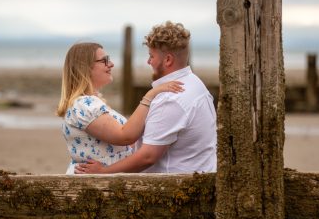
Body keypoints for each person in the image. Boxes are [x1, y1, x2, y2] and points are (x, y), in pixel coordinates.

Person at [75, 21, 217, 174]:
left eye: (151, 56)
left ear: (168, 60)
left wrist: (104, 171)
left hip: (175, 188)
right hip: (200, 175)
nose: (148, 62)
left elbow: (148, 157)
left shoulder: (171, 98)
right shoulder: (195, 83)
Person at [57, 42, 184, 175]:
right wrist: (150, 96)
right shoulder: (85, 104)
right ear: (85, 67)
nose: (111, 64)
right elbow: (126, 136)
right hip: (96, 184)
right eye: (104, 60)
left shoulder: (88, 102)